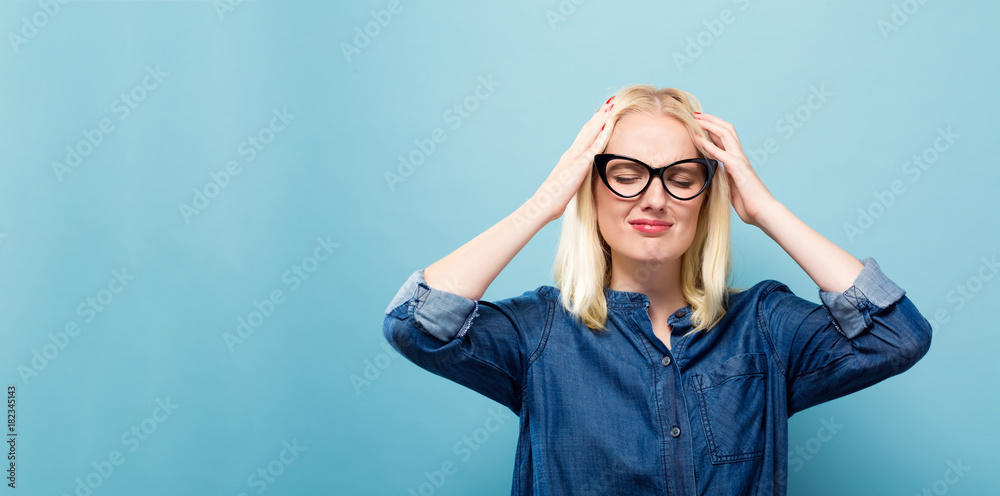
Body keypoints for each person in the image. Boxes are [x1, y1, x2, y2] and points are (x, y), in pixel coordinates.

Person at [381, 84, 932, 495]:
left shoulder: (763, 324)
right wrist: (545, 202)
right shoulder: (541, 333)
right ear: (589, 187)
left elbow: (896, 337)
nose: (654, 198)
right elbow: (416, 322)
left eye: (682, 177)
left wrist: (765, 210)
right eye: (625, 174)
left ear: (705, 195)